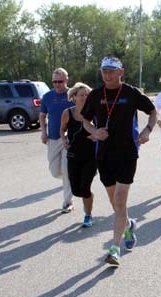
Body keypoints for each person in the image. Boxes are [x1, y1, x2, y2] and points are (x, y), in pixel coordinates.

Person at [81, 56, 157, 265]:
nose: (107, 75)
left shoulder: (131, 93)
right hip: (104, 155)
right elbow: (85, 121)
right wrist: (95, 132)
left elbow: (152, 111)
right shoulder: (96, 95)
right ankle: (129, 225)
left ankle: (114, 249)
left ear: (121, 72)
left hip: (127, 153)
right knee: (116, 205)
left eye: (112, 71)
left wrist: (148, 129)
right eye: (104, 71)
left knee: (121, 201)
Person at [60, 82, 97, 227]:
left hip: (90, 156)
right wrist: (63, 140)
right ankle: (88, 197)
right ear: (74, 97)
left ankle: (88, 215)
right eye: (81, 95)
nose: (85, 97)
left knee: (85, 187)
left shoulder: (94, 112)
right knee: (76, 190)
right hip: (73, 155)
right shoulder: (67, 113)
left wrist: (96, 135)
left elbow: (103, 127)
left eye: (87, 94)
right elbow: (62, 129)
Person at [40, 68, 75, 213]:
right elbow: (42, 116)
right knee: (55, 171)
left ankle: (67, 202)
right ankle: (70, 179)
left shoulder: (72, 95)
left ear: (67, 80)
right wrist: (43, 132)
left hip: (69, 138)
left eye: (60, 81)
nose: (57, 84)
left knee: (67, 170)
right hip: (53, 137)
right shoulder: (47, 96)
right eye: (54, 81)